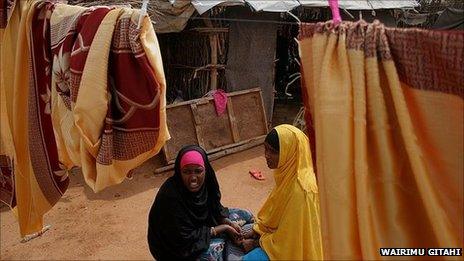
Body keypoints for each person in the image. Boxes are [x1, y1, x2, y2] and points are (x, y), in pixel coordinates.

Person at [147, 145, 253, 260]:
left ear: (205, 170)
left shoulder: (208, 182)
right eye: (186, 172)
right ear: (179, 171)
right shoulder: (170, 197)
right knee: (212, 254)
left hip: (200, 229)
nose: (193, 178)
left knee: (246, 215)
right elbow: (182, 240)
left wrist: (228, 222)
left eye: (198, 171)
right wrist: (223, 228)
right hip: (176, 249)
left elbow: (215, 209)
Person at [240, 124, 324, 260]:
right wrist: (258, 230)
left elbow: (291, 239)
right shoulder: (289, 175)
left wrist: (256, 243)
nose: (266, 156)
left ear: (290, 153)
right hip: (285, 238)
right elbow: (277, 216)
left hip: (297, 249)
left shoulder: (301, 189)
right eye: (265, 149)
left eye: (273, 151)